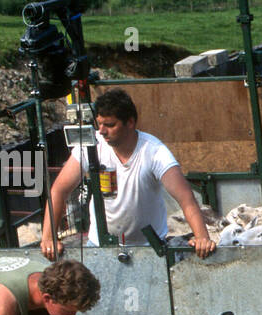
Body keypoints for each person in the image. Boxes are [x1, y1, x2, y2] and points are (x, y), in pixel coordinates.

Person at [41, 88, 216, 260]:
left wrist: (202, 237)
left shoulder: (154, 151)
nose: (102, 131)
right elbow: (58, 191)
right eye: (99, 124)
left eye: (109, 125)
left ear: (130, 122)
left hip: (149, 249)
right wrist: (49, 238)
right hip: (99, 245)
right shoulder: (91, 145)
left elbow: (186, 199)